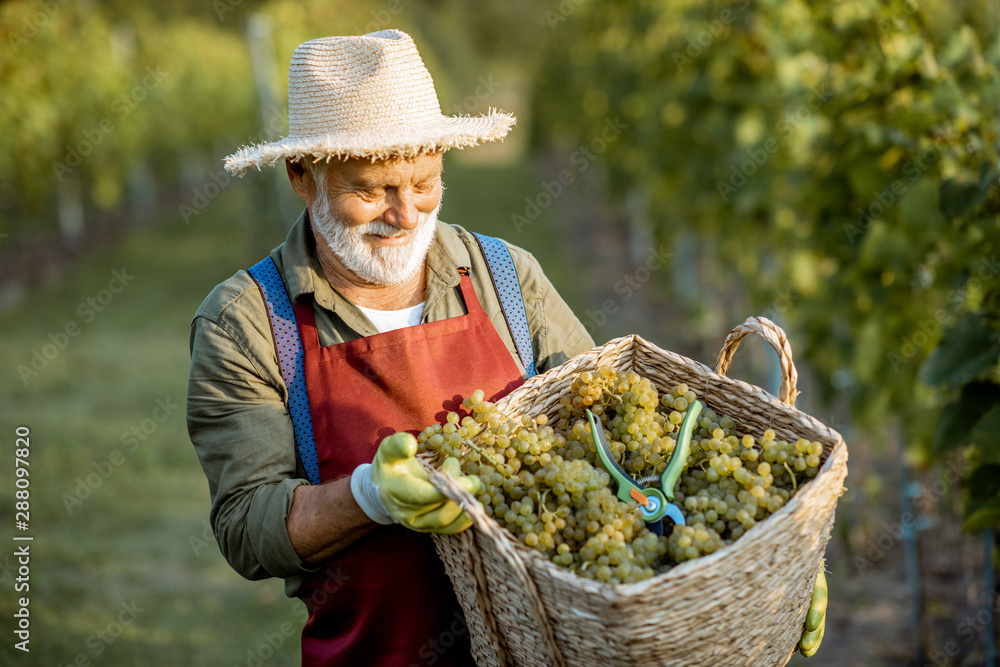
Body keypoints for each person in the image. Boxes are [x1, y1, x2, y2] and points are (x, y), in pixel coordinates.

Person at [187, 29, 826, 667]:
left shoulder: (506, 279)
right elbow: (248, 526)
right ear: (303, 175)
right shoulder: (247, 322)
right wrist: (367, 497)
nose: (405, 214)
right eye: (370, 189)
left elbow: (619, 435)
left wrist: (756, 545)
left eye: (426, 183)